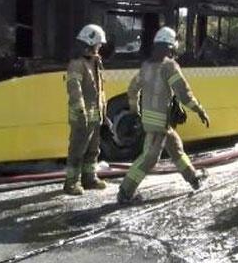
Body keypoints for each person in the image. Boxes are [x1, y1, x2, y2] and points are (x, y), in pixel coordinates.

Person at [117, 27, 210, 204]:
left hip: (152, 121)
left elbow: (132, 89)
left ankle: (194, 179)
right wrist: (199, 110)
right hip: (160, 123)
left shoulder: (146, 67)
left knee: (175, 148)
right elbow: (184, 95)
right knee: (149, 158)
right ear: (170, 46)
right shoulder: (170, 67)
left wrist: (134, 109)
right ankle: (125, 192)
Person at [64, 24, 109, 195]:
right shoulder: (77, 64)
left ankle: (89, 178)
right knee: (77, 150)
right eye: (98, 44)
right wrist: (81, 111)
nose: (99, 47)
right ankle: (71, 183)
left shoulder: (95, 62)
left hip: (94, 116)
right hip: (82, 116)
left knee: (93, 149)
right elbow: (74, 90)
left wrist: (103, 112)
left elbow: (99, 90)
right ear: (89, 43)